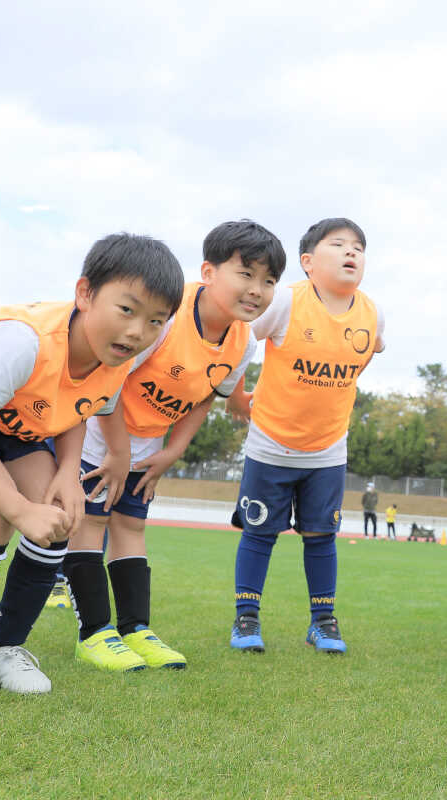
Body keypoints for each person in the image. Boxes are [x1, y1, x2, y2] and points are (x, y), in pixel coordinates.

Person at [0, 232, 181, 708]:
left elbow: (77, 405)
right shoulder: (21, 342)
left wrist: (68, 470)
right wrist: (21, 510)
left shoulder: (117, 356)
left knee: (62, 514)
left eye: (155, 321)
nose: (137, 332)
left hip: (14, 419)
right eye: (127, 310)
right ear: (85, 294)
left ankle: (2, 648)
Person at [59, 220, 279, 674]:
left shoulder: (241, 342)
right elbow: (107, 380)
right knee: (91, 523)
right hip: (100, 434)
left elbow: (205, 399)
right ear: (209, 271)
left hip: (147, 446)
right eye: (246, 274)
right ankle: (95, 633)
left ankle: (136, 628)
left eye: (269, 281)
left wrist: (173, 450)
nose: (257, 289)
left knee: (131, 530)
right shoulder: (165, 315)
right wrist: (117, 454)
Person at [228, 218, 384, 655]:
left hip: (328, 452)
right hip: (270, 445)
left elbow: (369, 351)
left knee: (322, 538)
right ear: (308, 262)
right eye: (338, 244)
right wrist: (237, 397)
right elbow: (240, 338)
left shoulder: (373, 312)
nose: (351, 252)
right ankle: (246, 618)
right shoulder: (286, 302)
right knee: (259, 534)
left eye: (358, 246)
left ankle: (323, 622)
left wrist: (343, 385)